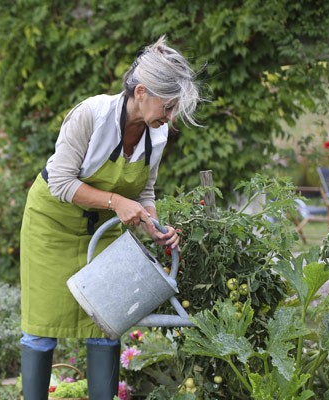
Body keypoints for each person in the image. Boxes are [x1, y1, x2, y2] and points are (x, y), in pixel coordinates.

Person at [19, 35, 200, 399]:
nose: (171, 117)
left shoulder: (157, 135)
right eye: (168, 106)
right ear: (142, 92)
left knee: (108, 321)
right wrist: (117, 201)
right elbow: (61, 181)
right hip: (51, 226)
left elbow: (145, 193)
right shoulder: (91, 116)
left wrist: (155, 227)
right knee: (41, 325)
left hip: (101, 232)